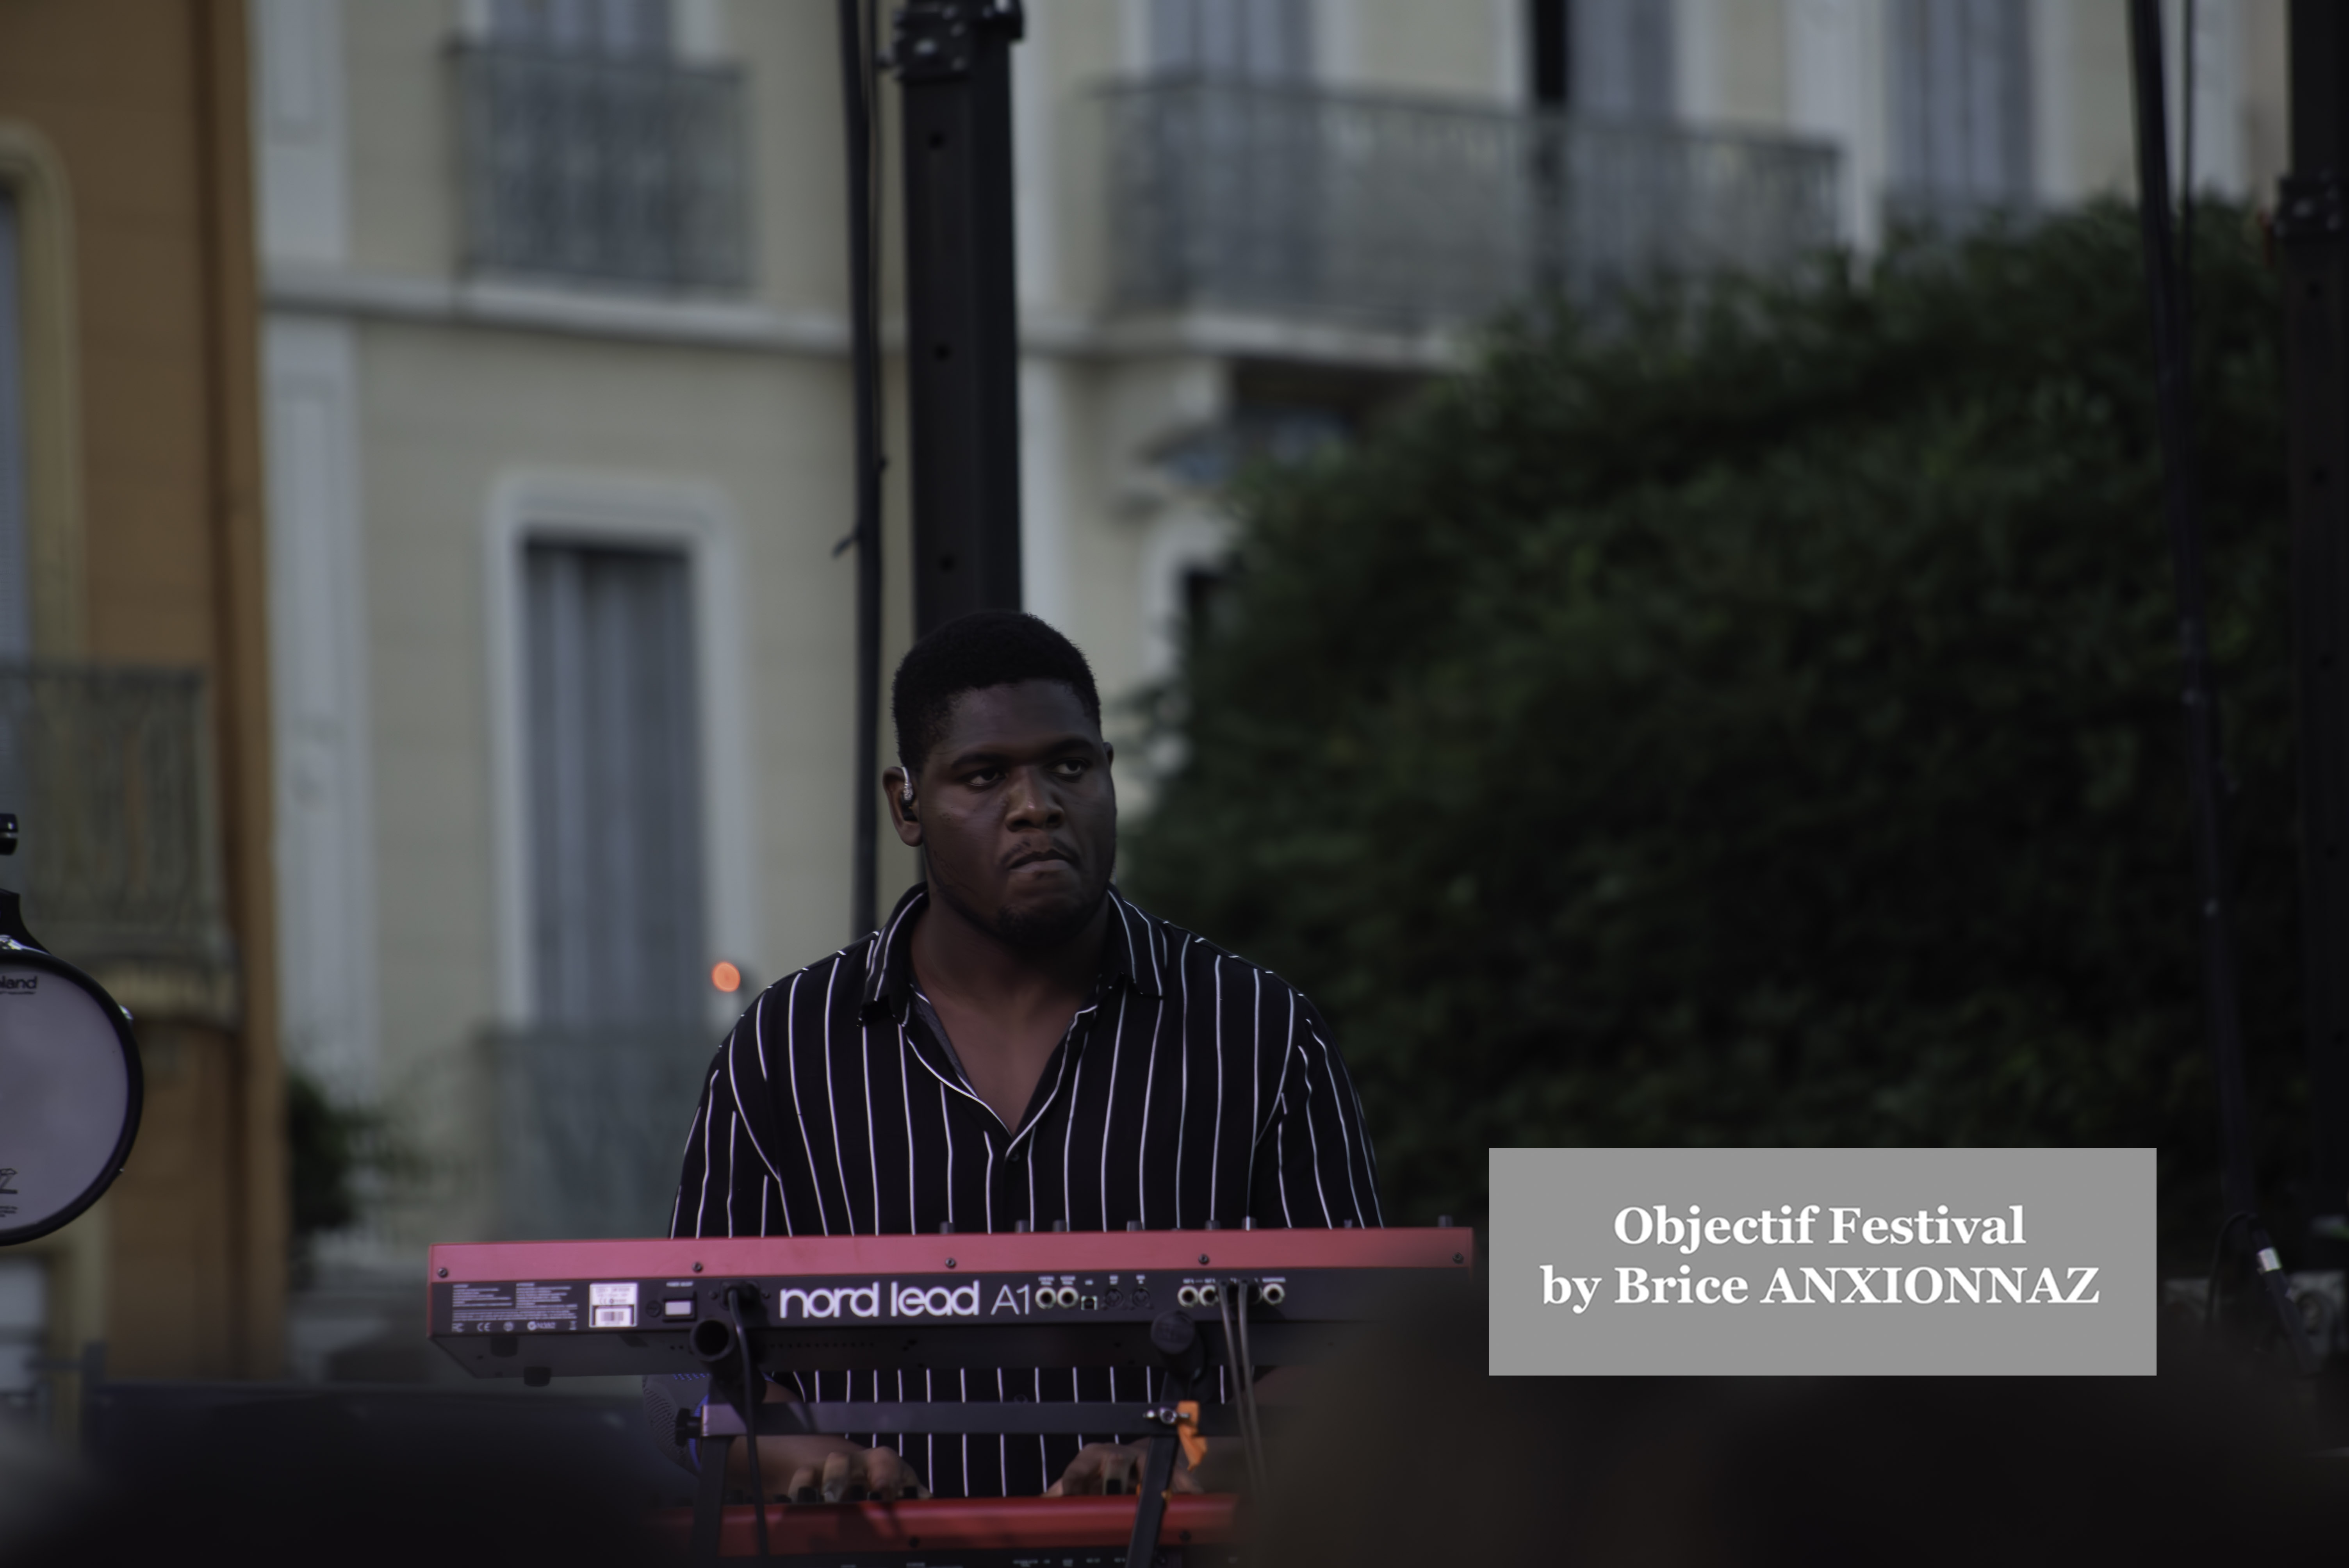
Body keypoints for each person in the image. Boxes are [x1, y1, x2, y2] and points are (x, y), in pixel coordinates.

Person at [656, 610, 1382, 1502]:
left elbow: (1349, 1346)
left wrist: (1186, 1454)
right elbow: (690, 1364)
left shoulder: (1260, 1030)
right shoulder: (784, 1045)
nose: (1036, 804)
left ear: (1108, 777)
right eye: (984, 774)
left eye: (1068, 766)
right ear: (906, 805)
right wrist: (805, 1461)